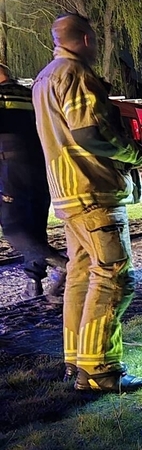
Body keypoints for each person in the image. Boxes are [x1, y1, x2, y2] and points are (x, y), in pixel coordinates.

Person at [33, 13, 142, 392]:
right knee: (114, 276)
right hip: (94, 191)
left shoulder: (43, 79)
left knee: (80, 276)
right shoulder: (75, 75)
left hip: (67, 194)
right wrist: (136, 155)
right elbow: (90, 132)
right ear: (87, 40)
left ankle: (76, 363)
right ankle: (101, 370)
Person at [0, 62, 67, 301]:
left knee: (13, 228)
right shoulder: (32, 94)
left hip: (10, 167)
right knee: (35, 227)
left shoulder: (2, 96)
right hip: (40, 167)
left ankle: (63, 264)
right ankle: (34, 282)